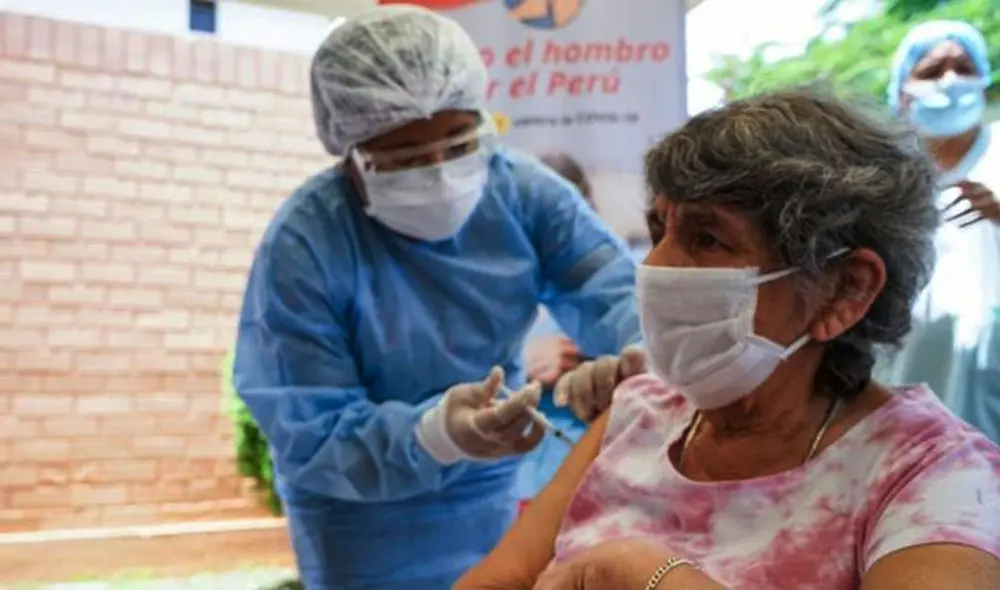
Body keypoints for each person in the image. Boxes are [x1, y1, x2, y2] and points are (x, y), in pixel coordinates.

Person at [456, 89, 1000, 590]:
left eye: (707, 238)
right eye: (659, 230)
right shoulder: (641, 412)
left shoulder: (930, 475)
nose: (655, 266)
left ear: (845, 290)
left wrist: (648, 575)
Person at [232, 6, 640, 590]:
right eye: (403, 160)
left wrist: (642, 360)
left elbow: (612, 290)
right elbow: (307, 422)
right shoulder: (308, 241)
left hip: (485, 486)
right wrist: (434, 434)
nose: (438, 175)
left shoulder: (525, 197)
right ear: (348, 149)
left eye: (458, 142)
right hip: (357, 518)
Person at [880, 20, 1000, 441]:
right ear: (901, 93)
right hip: (913, 373)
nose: (951, 81)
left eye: (964, 67)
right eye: (932, 71)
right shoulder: (884, 173)